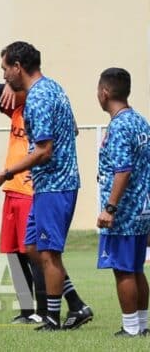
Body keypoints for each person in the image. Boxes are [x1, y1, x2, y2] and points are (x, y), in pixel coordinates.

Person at [0, 41, 93, 331]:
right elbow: (72, 129)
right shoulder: (53, 87)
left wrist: (7, 172)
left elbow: (44, 150)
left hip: (55, 185)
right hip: (47, 183)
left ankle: (51, 319)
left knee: (48, 253)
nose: (4, 76)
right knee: (33, 247)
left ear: (18, 67)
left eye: (5, 69)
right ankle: (77, 304)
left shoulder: (39, 97)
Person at [93, 68, 150, 337]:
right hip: (142, 208)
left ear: (104, 92)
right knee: (136, 268)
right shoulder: (140, 121)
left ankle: (130, 329)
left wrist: (110, 208)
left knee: (123, 270)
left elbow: (123, 170)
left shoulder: (119, 125)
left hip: (124, 211)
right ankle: (142, 324)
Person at [0, 81, 43, 325]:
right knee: (14, 255)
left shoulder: (39, 111)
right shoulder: (15, 111)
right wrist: (8, 85)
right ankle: (27, 310)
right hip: (12, 191)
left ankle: (45, 309)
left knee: (32, 253)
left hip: (30, 192)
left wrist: (21, 89)